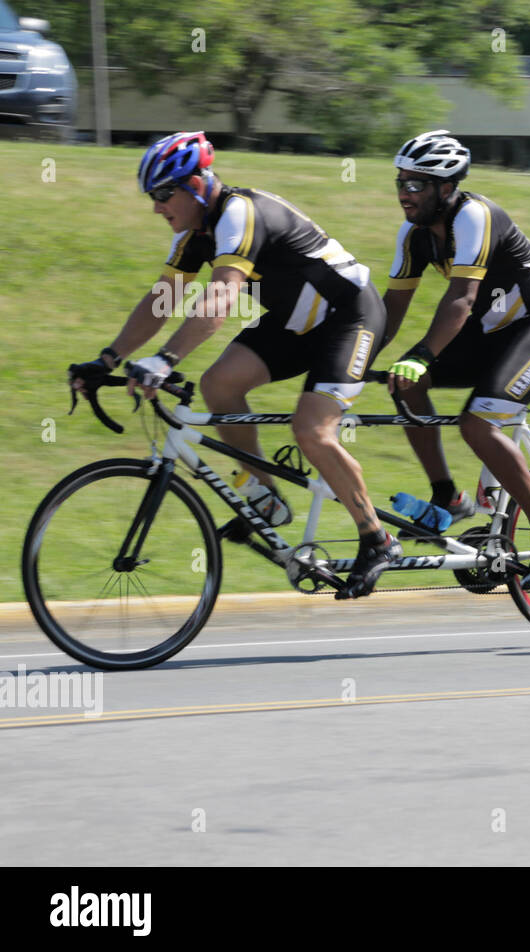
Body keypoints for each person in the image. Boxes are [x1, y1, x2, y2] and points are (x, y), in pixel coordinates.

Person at [68, 130, 398, 600]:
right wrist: (107, 359)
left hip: (351, 317)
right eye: (152, 197)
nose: (158, 208)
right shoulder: (194, 234)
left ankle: (377, 538)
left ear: (197, 184)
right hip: (296, 324)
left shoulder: (239, 212)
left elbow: (221, 295)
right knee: (218, 386)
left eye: (164, 195)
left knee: (313, 430)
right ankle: (264, 499)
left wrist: (165, 359)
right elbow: (163, 300)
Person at [380, 131, 530, 590]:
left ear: (446, 188)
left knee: (477, 425)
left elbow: (461, 299)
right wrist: (354, 362)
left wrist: (423, 353)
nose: (405, 194)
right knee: (406, 384)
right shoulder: (413, 237)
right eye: (401, 182)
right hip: (492, 332)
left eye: (417, 184)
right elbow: (390, 311)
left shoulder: (474, 216)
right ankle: (447, 499)